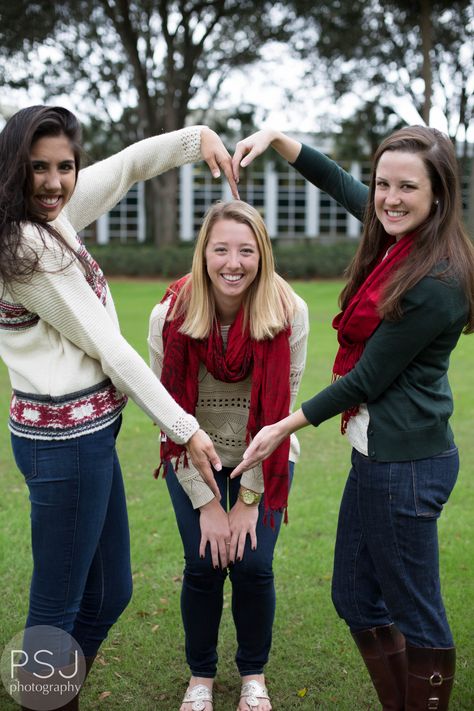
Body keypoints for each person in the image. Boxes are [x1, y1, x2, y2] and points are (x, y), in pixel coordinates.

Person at [0, 104, 239, 711]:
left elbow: (130, 165)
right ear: (12, 169)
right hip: (64, 448)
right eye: (38, 168)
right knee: (57, 606)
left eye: (66, 167)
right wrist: (185, 429)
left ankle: (54, 696)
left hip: (87, 437)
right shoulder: (28, 248)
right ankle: (45, 699)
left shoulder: (51, 218)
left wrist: (197, 138)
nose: (56, 182)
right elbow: (113, 350)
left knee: (109, 592)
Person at [231, 126, 474, 710]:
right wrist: (278, 140)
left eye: (406, 187)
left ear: (438, 194)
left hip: (407, 467)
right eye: (382, 183)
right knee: (355, 598)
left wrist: (282, 426)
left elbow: (369, 379)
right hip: (378, 456)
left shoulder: (436, 280)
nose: (388, 198)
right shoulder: (400, 240)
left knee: (418, 614)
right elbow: (342, 183)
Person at [148, 200, 309, 711]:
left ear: (262, 255)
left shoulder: (289, 312)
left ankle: (253, 676)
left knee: (254, 565)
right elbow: (167, 414)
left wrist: (248, 499)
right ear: (204, 253)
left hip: (265, 454)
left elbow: (281, 416)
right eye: (221, 249)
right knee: (203, 565)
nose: (232, 263)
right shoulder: (169, 315)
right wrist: (208, 504)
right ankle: (201, 678)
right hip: (193, 457)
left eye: (246, 250)